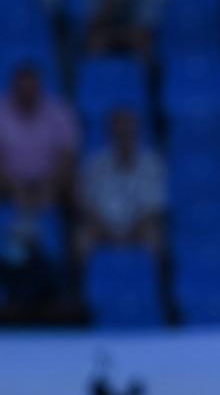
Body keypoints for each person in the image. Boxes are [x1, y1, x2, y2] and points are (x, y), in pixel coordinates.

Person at [75, 108, 166, 261]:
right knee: (82, 239)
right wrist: (108, 230)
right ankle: (82, 284)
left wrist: (129, 232)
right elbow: (88, 206)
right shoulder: (95, 164)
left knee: (154, 237)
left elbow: (153, 210)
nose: (124, 135)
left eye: (128, 131)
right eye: (119, 132)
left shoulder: (152, 163)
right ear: (111, 133)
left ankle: (153, 283)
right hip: (102, 228)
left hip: (138, 228)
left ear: (136, 132)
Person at [0, 64, 79, 210]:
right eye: (22, 90)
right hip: (7, 183)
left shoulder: (60, 112)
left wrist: (48, 190)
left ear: (39, 88)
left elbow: (68, 157)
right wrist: (15, 189)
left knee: (74, 186)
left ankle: (72, 231)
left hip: (51, 182)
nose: (27, 94)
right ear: (14, 90)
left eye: (31, 89)